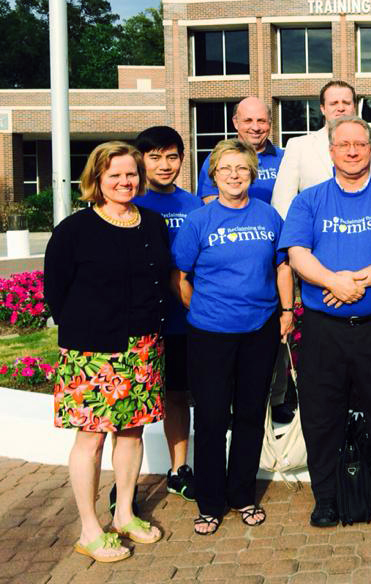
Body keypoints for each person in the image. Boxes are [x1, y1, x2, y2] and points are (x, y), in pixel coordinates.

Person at [279, 115, 371, 528]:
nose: (353, 151)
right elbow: (297, 255)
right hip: (324, 331)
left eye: (360, 144)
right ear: (331, 151)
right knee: (322, 416)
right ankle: (325, 498)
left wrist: (355, 281)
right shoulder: (309, 200)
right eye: (344, 144)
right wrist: (331, 281)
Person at [45, 142, 169, 563]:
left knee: (132, 433)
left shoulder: (152, 223)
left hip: (143, 347)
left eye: (131, 173)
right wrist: (85, 331)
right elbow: (56, 291)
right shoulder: (74, 230)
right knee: (92, 438)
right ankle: (89, 529)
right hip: (92, 352)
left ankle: (124, 514)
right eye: (114, 175)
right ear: (97, 179)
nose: (124, 181)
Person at [172, 139, 294, 535]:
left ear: (252, 174)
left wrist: (287, 311)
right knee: (210, 417)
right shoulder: (199, 220)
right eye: (225, 169)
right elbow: (181, 276)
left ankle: (242, 494)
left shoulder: (268, 215)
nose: (234, 175)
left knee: (250, 413)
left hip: (259, 330)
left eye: (242, 168)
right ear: (213, 175)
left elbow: (282, 267)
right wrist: (202, 310)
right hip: (210, 334)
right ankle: (210, 502)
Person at [133, 126, 202, 502]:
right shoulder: (130, 202)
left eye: (172, 156)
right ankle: (127, 482)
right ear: (141, 159)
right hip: (140, 321)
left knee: (177, 395)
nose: (164, 164)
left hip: (183, 321)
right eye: (155, 157)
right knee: (133, 405)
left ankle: (178, 471)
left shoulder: (193, 205)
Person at [271, 80, 371, 217]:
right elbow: (282, 202)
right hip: (316, 228)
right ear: (322, 109)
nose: (340, 108)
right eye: (334, 103)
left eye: (346, 103)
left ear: (354, 107)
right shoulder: (298, 147)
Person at [197, 96, 283, 204]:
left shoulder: (285, 159)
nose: (255, 128)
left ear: (270, 123)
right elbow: (209, 203)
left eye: (261, 121)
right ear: (236, 122)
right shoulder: (217, 158)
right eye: (248, 121)